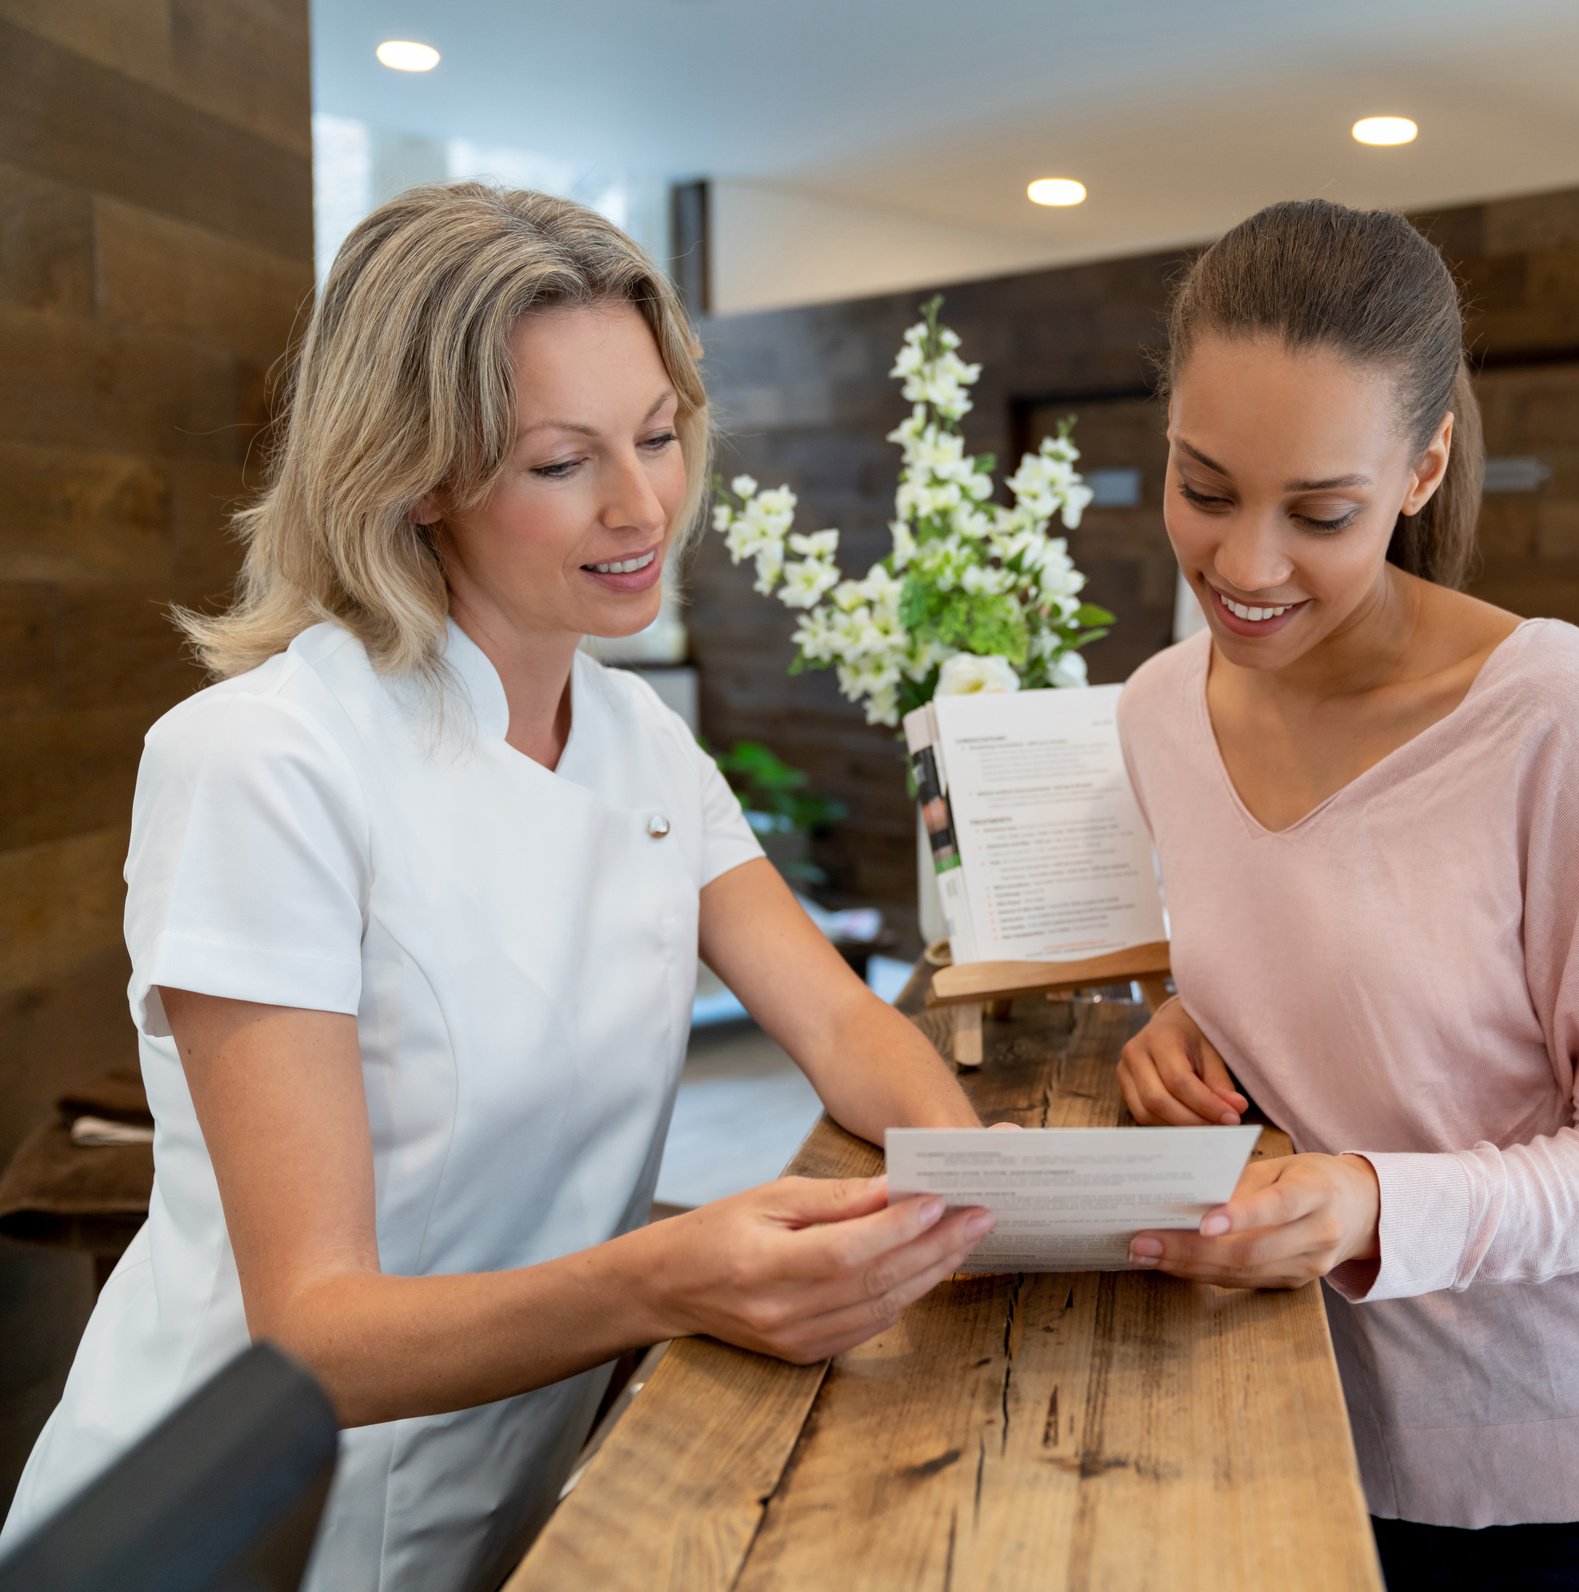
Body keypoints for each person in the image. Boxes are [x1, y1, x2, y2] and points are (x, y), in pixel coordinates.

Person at [0, 185, 995, 1591]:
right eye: (558, 463)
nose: (641, 503)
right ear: (416, 475)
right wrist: (663, 1277)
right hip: (231, 1527)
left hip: (512, 1498)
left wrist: (967, 1196)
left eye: (657, 436)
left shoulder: (641, 741)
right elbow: (312, 1334)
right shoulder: (262, 763)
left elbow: (841, 1025)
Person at [1113, 200, 1579, 1591]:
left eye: (1321, 512)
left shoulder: (1564, 719)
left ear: (1420, 474)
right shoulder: (1161, 710)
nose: (1243, 566)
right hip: (1314, 1456)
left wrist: (1370, 1204)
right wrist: (1191, 1023)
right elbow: (1343, 969)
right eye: (1204, 487)